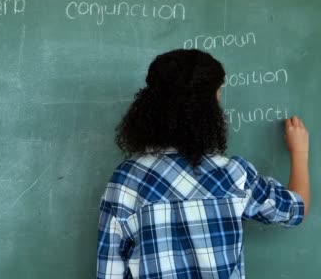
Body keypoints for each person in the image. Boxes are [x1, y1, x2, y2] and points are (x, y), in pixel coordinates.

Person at [96, 49, 310, 279]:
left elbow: (109, 270)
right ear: (210, 106)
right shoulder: (235, 175)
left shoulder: (128, 178)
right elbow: (296, 210)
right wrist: (300, 152)